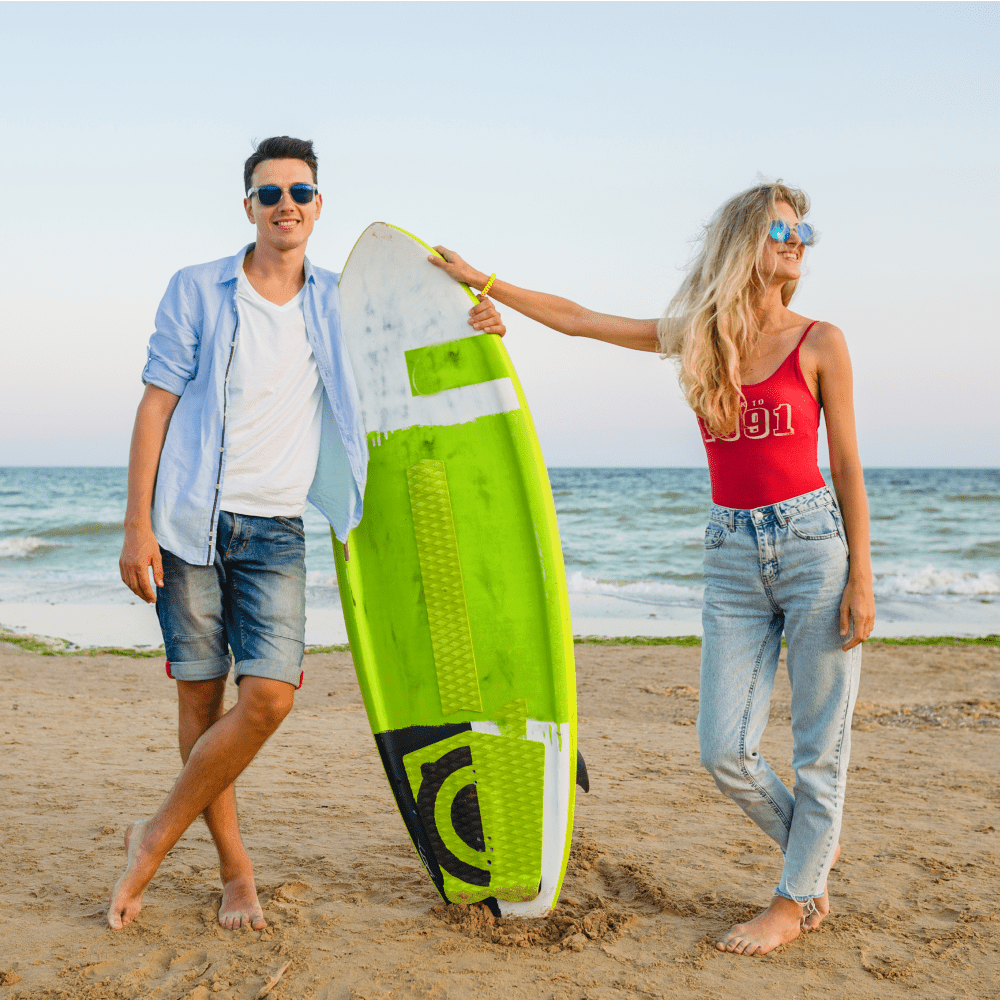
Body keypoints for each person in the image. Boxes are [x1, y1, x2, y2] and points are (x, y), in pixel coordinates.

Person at [428, 180, 875, 956]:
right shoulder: (701, 334)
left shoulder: (820, 341)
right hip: (731, 553)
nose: (797, 245)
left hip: (814, 548)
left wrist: (862, 577)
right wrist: (483, 281)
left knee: (819, 747)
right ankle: (812, 851)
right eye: (781, 231)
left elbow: (846, 467)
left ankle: (793, 900)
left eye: (804, 233)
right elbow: (581, 320)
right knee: (722, 749)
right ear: (745, 241)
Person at [111, 136, 505, 931]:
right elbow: (156, 404)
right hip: (188, 524)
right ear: (248, 206)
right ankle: (236, 873)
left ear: (319, 207)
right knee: (201, 702)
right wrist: (136, 526)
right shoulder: (196, 289)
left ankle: (152, 836)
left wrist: (483, 319)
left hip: (277, 527)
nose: (284, 204)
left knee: (268, 699)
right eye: (269, 193)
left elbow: (412, 350)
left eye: (299, 192)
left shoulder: (339, 302)